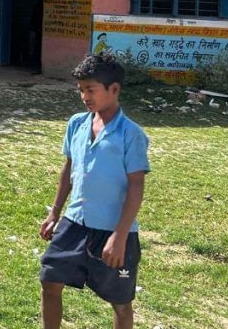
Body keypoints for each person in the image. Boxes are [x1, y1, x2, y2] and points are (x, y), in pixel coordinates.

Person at [39, 52, 150, 329]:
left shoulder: (131, 134)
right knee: (49, 281)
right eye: (81, 90)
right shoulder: (77, 123)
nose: (85, 97)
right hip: (75, 222)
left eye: (91, 90)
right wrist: (55, 212)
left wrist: (120, 236)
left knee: (120, 302)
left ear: (114, 89)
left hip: (113, 230)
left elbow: (136, 186)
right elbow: (69, 170)